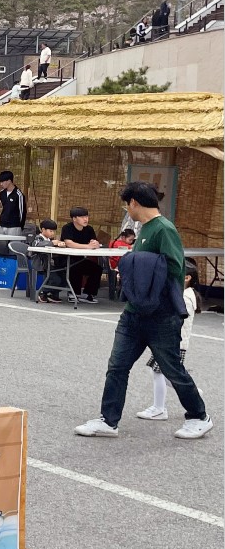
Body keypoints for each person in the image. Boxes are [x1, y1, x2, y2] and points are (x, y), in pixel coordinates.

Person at [75, 181, 212, 439]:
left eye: (127, 205)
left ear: (134, 203)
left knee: (172, 369)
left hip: (161, 315)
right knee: (117, 366)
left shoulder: (163, 229)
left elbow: (174, 268)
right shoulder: (147, 228)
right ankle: (108, 421)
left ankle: (199, 416)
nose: (128, 209)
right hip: (134, 312)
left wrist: (134, 264)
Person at [137, 261, 200, 422]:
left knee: (159, 372)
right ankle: (192, 391)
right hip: (172, 340)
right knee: (159, 371)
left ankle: (159, 408)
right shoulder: (185, 293)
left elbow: (177, 319)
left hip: (173, 341)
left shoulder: (185, 297)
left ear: (187, 278)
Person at [60, 206, 103, 304]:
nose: (85, 219)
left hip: (80, 258)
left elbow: (94, 242)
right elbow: (69, 243)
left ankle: (88, 294)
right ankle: (73, 293)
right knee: (75, 267)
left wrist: (95, 244)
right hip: (66, 259)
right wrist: (87, 246)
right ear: (74, 218)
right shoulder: (67, 228)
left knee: (97, 269)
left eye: (87, 217)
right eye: (82, 217)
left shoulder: (89, 229)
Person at [32, 220, 65, 304]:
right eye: (50, 231)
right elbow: (36, 245)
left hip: (50, 264)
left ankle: (52, 294)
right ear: (43, 230)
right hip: (42, 265)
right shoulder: (38, 238)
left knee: (64, 277)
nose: (52, 233)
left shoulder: (50, 240)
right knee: (56, 279)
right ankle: (43, 292)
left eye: (54, 231)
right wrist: (51, 243)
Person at [0, 170, 26, 244]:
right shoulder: (1, 193)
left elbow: (22, 212)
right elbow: (4, 207)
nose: (1, 184)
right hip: (2, 225)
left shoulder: (18, 194)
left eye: (2, 181)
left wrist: (20, 226)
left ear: (9, 181)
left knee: (13, 247)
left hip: (14, 226)